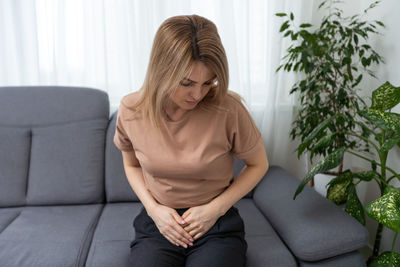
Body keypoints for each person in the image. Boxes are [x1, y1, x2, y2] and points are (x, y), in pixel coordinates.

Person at [113, 14, 269, 267]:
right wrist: (154, 211)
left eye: (208, 82)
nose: (198, 94)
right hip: (159, 223)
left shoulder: (228, 109)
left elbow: (258, 164)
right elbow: (131, 165)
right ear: (161, 71)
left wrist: (215, 209)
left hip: (217, 224)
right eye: (187, 83)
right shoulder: (131, 109)